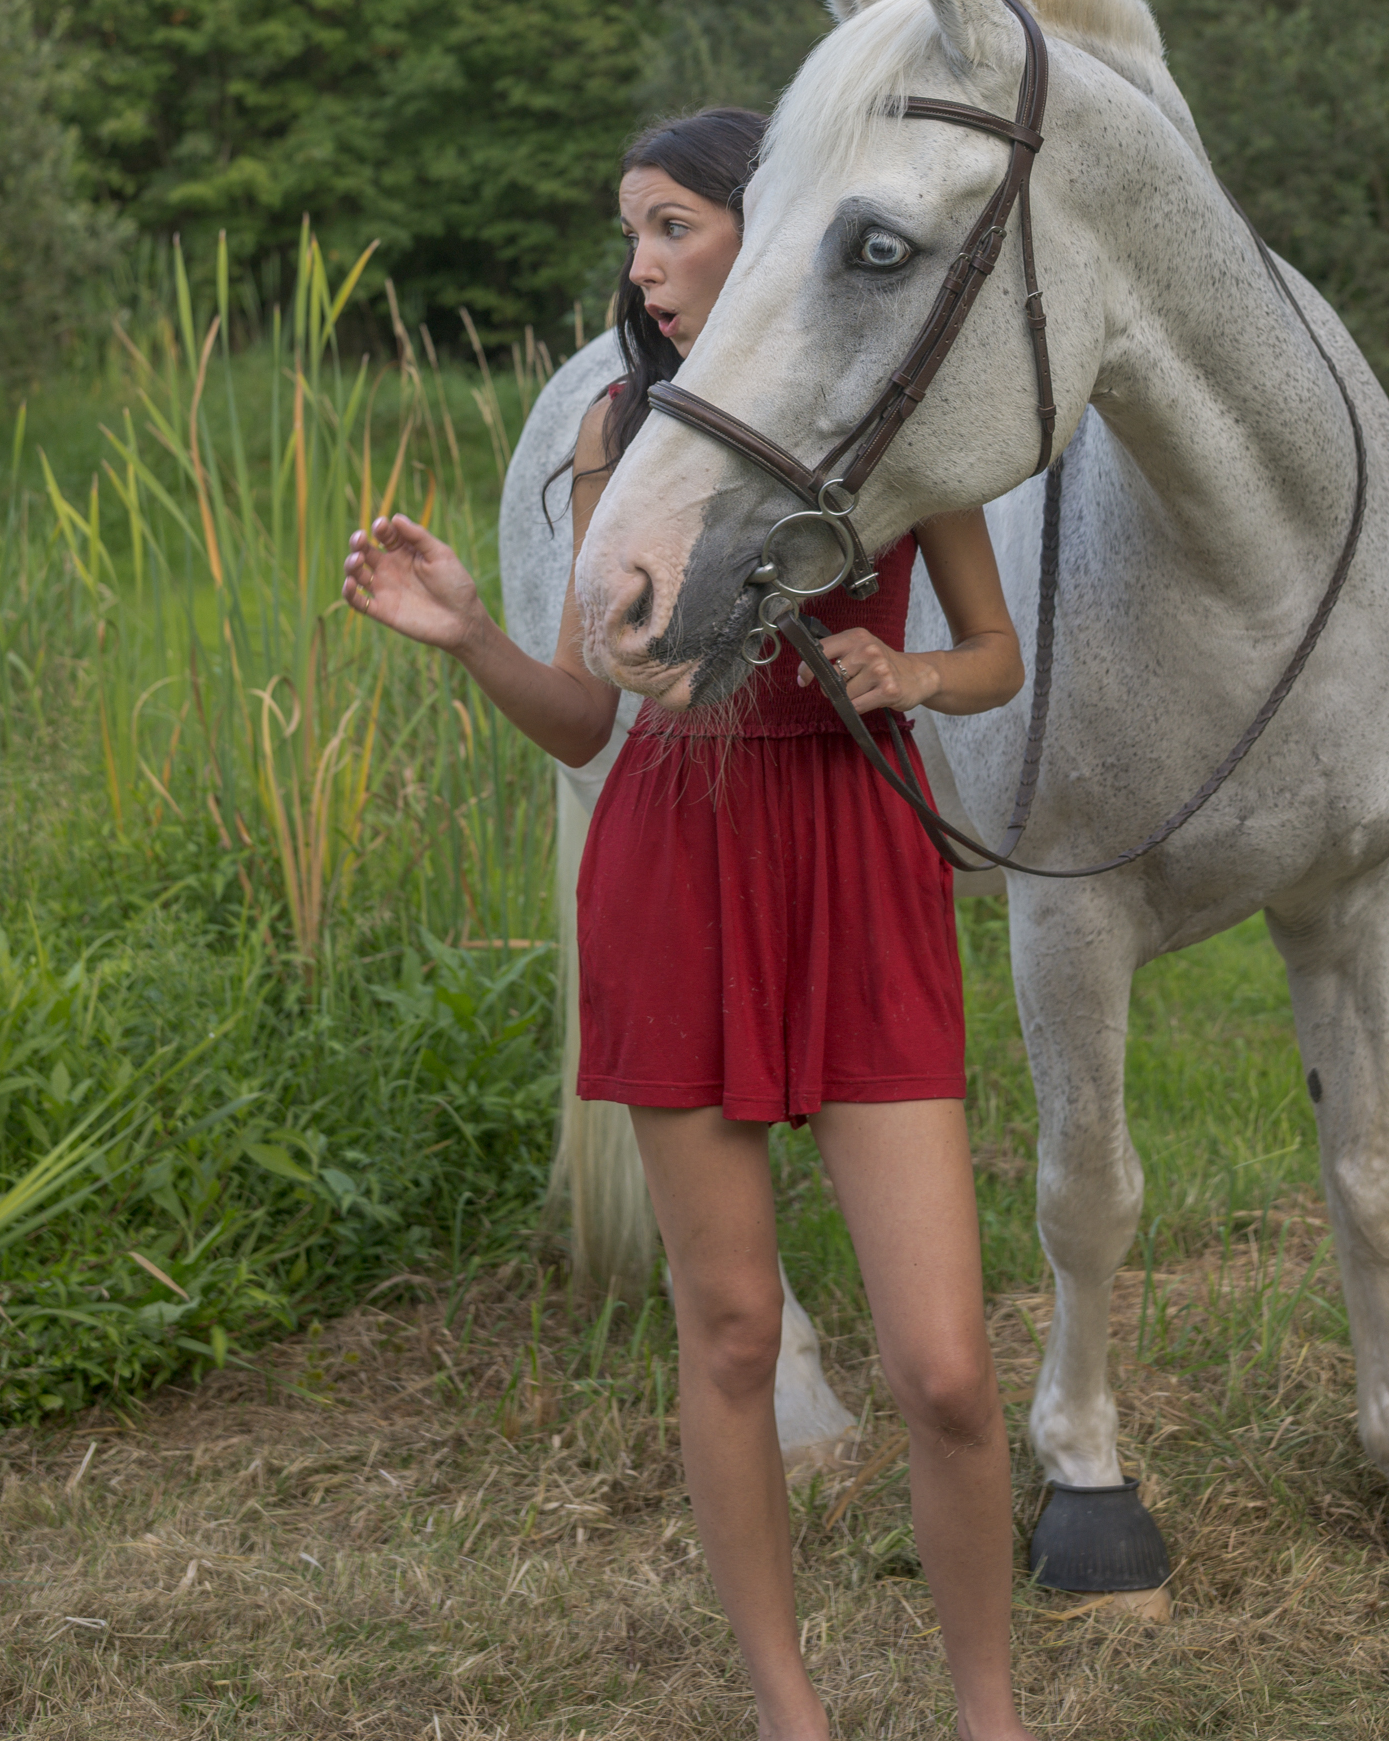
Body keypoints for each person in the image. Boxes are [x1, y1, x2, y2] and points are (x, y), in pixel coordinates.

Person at [343, 109, 1039, 1741]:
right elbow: (592, 717)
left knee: (944, 1366)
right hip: (677, 866)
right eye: (635, 235)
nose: (644, 265)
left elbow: (994, 651)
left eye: (674, 225)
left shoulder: (894, 413)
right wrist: (468, 636)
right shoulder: (623, 428)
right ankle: (791, 1716)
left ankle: (991, 1719)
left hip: (856, 862)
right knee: (730, 1334)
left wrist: (915, 672)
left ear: (762, 223)